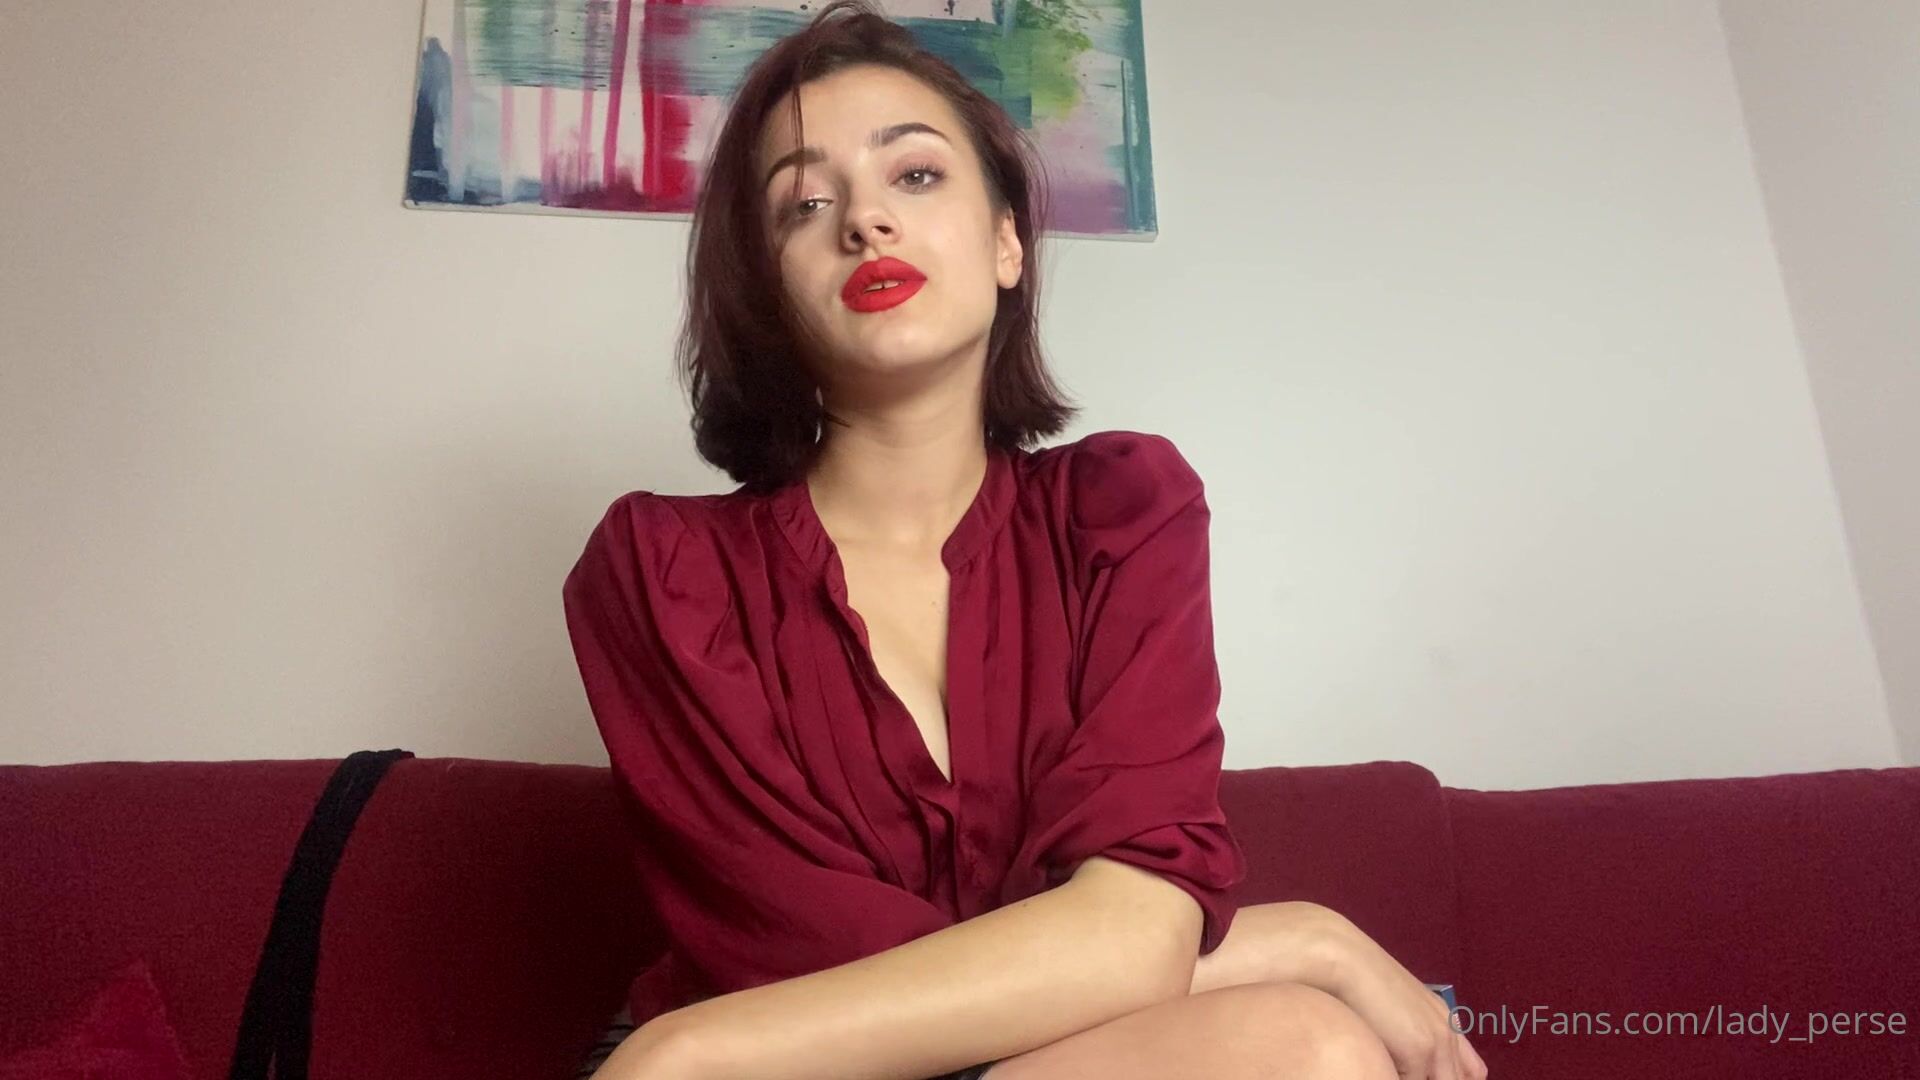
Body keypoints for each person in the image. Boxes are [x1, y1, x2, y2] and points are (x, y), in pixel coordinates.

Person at [561, 3, 1487, 1078]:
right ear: (767, 284)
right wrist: (1294, 942)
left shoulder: (1123, 515)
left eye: (915, 175)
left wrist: (686, 1049)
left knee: (1307, 1049)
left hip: (761, 1055)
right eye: (805, 204)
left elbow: (1137, 931)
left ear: (1007, 241)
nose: (865, 221)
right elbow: (809, 965)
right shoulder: (661, 573)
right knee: (1306, 1037)